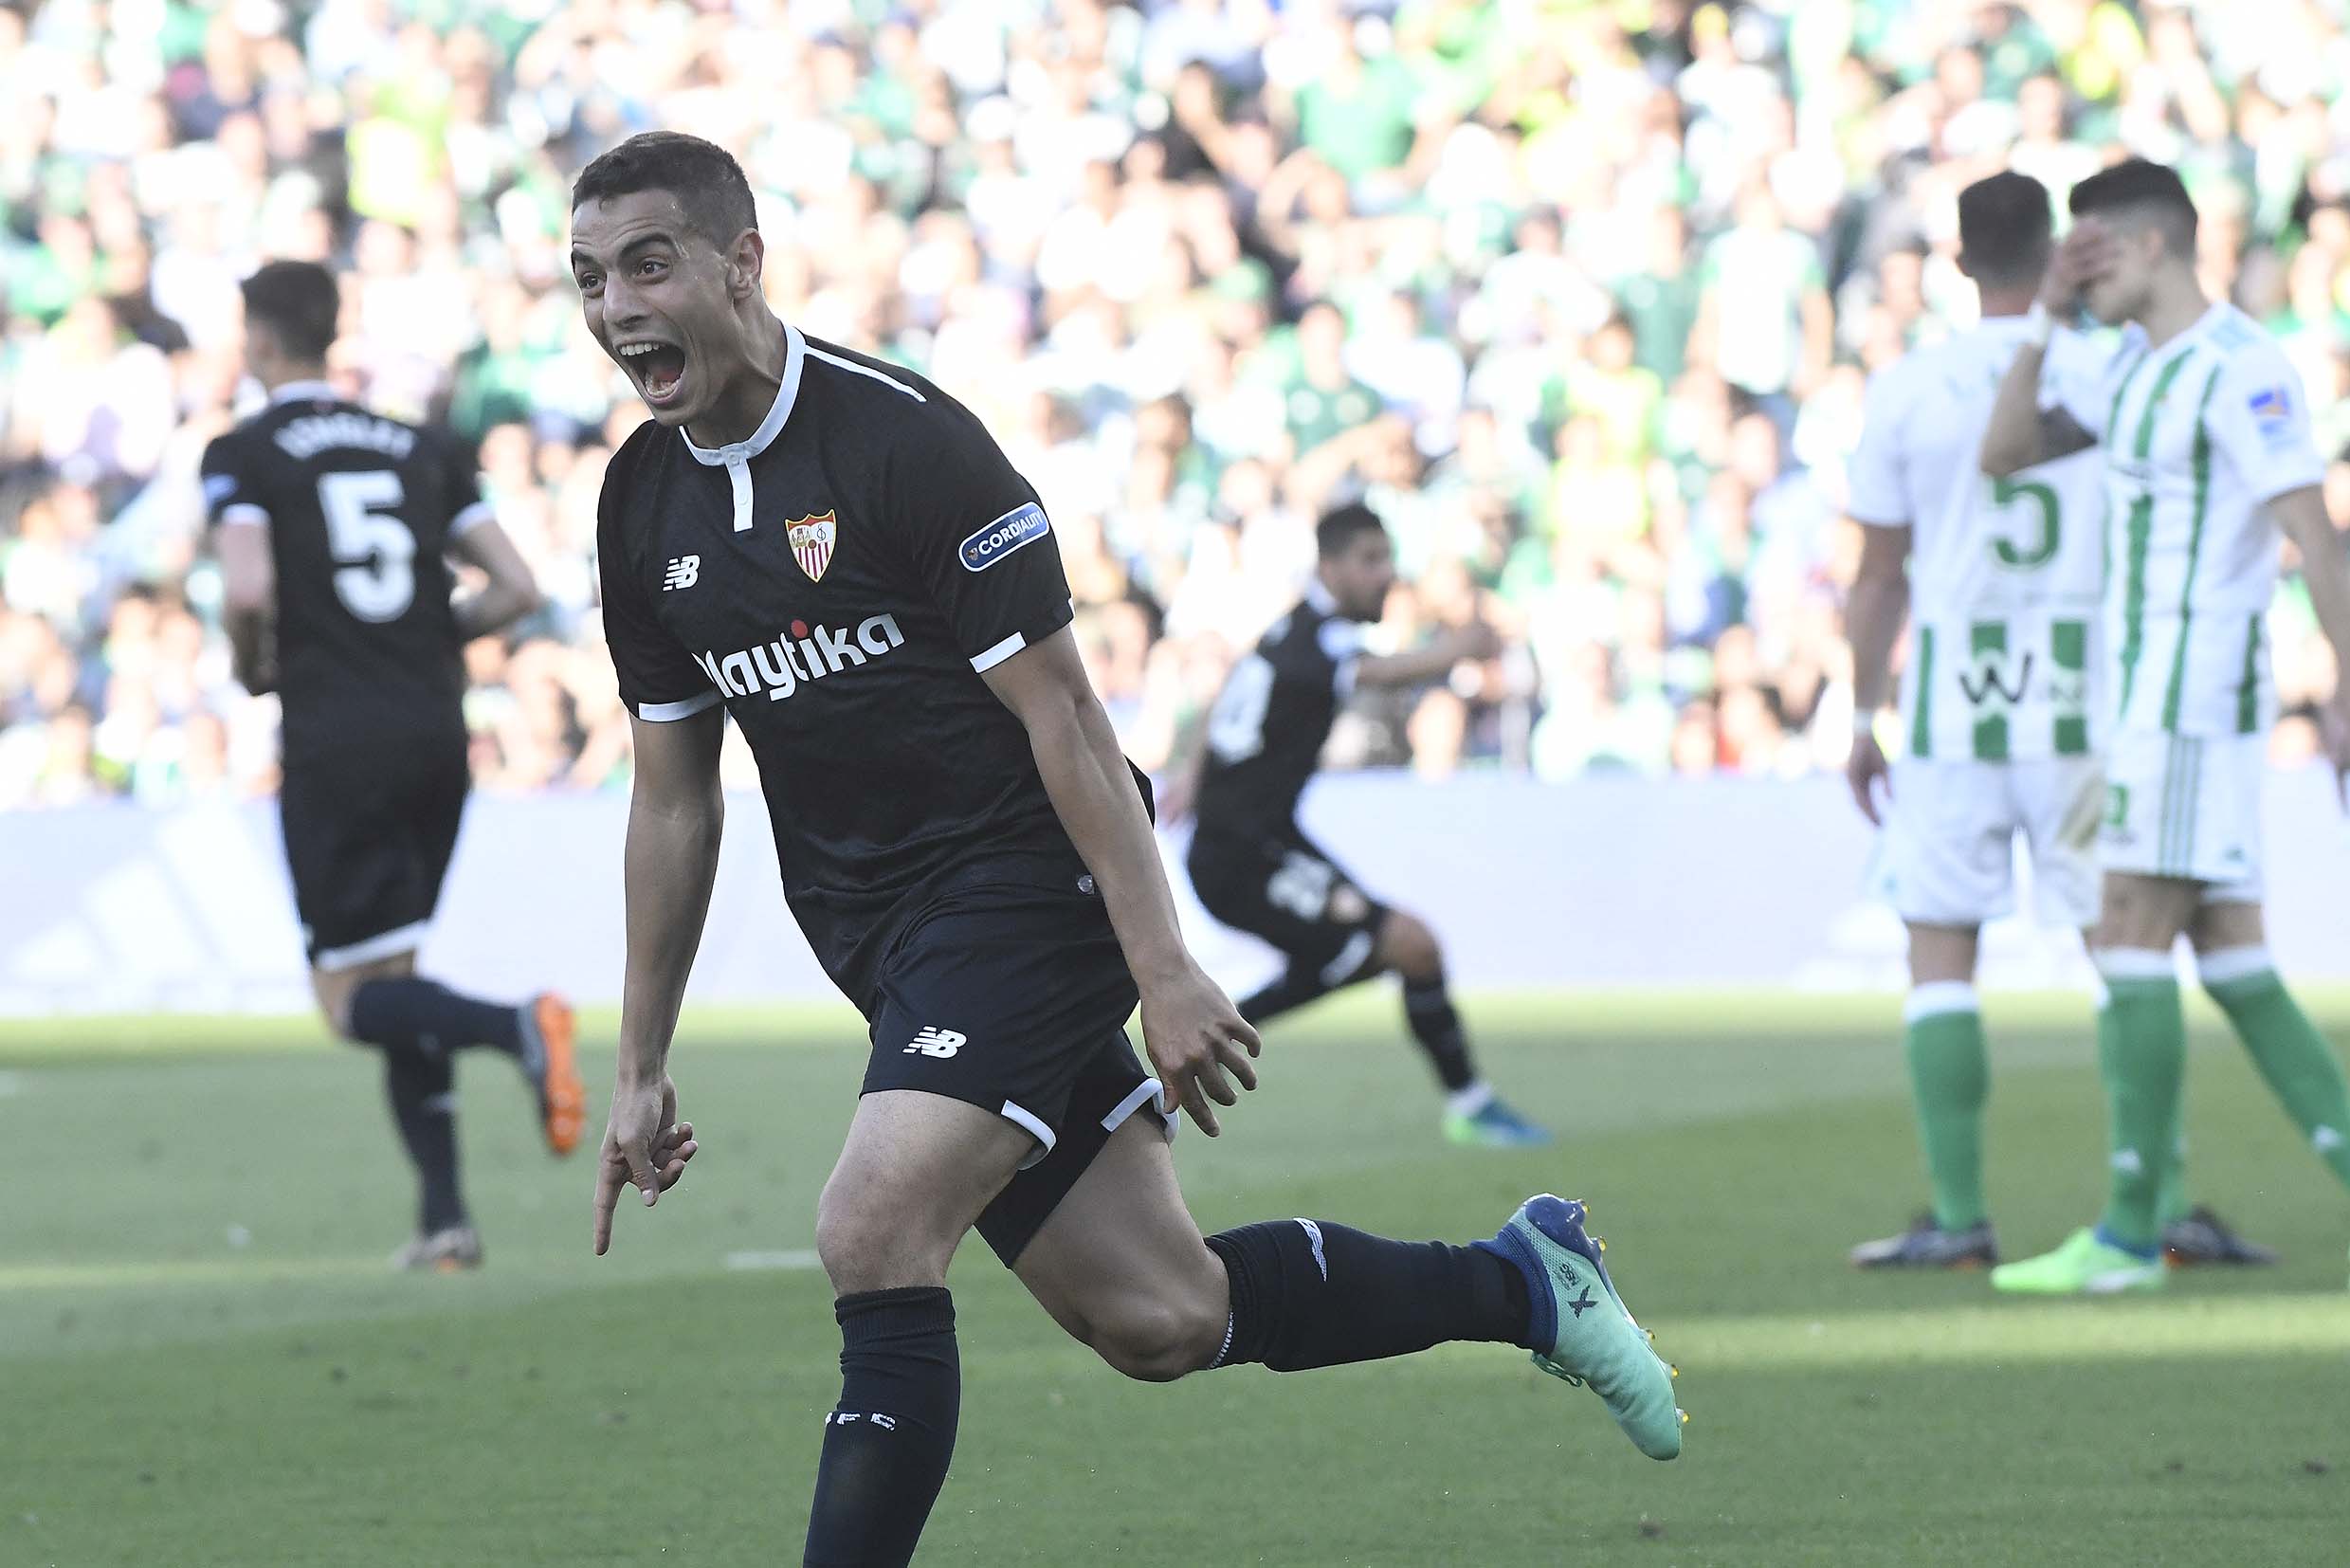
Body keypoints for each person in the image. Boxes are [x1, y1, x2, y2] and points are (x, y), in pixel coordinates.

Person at [572, 132, 1682, 1567]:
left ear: (742, 262)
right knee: (1164, 1315)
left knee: (873, 1223)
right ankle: (1528, 1281)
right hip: (881, 939)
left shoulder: (906, 442)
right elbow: (673, 798)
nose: (617, 308)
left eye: (648, 265)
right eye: (591, 279)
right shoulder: (636, 505)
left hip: (1030, 887)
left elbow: (1073, 722)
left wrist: (1161, 963)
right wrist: (640, 1062)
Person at [1843, 171, 2270, 1271]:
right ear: (2053, 253)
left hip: (1951, 705)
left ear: (1952, 259)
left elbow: (1875, 577)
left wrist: (1860, 712)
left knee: (1939, 955)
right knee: (2124, 952)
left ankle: (1955, 1214)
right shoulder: (2119, 363)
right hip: (2088, 699)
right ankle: (2161, 1199)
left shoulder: (1905, 387)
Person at [1979, 158, 2350, 1294]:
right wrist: (2043, 316)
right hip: (2140, 700)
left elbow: (2314, 534)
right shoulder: (2135, 373)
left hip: (2192, 701)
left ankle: (2130, 1235)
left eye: (2085, 251)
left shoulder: (2242, 370)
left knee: (2127, 931)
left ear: (2147, 245)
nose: (2072, 271)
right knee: (2229, 952)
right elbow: (2000, 455)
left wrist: (2343, 688)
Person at [205, 260, 585, 1271]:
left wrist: (255, 669)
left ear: (259, 341)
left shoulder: (247, 452)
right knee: (396, 965)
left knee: (349, 1001)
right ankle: (445, 1219)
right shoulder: (420, 445)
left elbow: (247, 591)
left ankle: (515, 1025)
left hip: (336, 736)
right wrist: (420, 644)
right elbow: (513, 586)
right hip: (433, 729)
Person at [1169, 501, 1551, 1146]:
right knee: (1406, 945)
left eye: (1388, 559)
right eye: (1370, 560)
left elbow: (1233, 688)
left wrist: (1193, 770)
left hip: (1257, 846)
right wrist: (1458, 648)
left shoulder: (1291, 631)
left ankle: (1197, 1039)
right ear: (1331, 565)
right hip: (1242, 856)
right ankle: (1471, 1105)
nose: (1386, 575)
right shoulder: (1315, 638)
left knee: (1380, 953)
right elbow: (1376, 673)